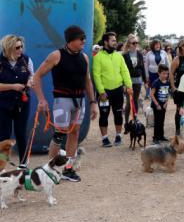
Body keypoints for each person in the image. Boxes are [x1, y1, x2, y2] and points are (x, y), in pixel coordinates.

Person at [33, 26, 99, 182]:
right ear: (71, 40)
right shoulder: (56, 55)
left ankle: (68, 169)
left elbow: (88, 81)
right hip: (62, 101)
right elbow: (37, 76)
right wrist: (41, 100)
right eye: (81, 38)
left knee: (75, 132)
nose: (84, 41)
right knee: (59, 134)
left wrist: (93, 102)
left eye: (85, 38)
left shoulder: (84, 57)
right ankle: (50, 170)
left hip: (80, 101)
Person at [0, 34, 34, 169]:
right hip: (3, 104)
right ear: (8, 49)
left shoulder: (26, 60)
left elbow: (32, 75)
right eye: (17, 47)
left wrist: (31, 81)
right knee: (4, 136)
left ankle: (24, 164)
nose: (21, 50)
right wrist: (13, 86)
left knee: (21, 133)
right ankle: (1, 167)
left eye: (21, 47)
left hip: (22, 103)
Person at [93, 32, 133, 147]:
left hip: (118, 90)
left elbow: (124, 71)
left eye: (115, 40)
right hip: (105, 92)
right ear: (106, 42)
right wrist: (101, 91)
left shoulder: (118, 56)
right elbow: (96, 75)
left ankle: (118, 136)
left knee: (118, 114)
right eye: (113, 40)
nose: (115, 42)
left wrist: (129, 86)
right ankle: (105, 138)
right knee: (104, 115)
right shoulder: (98, 57)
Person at [170, 39, 184, 136]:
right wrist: (173, 87)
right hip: (180, 88)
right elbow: (171, 73)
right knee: (179, 109)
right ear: (183, 47)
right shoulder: (177, 59)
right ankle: (178, 130)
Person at [123, 34, 146, 122]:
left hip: (138, 81)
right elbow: (122, 70)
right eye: (133, 43)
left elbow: (142, 67)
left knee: (135, 100)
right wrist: (124, 83)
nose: (135, 44)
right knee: (129, 102)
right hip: (128, 81)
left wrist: (145, 80)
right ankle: (126, 122)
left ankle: (135, 119)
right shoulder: (125, 55)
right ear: (129, 44)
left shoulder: (139, 54)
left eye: (136, 42)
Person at [150, 63, 171, 144]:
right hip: (157, 105)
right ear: (159, 73)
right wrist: (157, 104)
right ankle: (155, 138)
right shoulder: (156, 82)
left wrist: (166, 102)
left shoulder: (167, 82)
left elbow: (167, 93)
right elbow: (152, 94)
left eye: (167, 73)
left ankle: (161, 136)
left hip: (163, 104)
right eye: (163, 73)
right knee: (157, 121)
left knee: (162, 120)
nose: (165, 75)